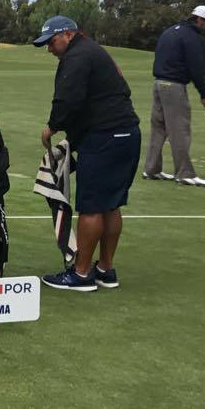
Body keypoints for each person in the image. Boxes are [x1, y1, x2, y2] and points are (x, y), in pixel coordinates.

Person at [33, 15, 140, 293]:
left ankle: (81, 275)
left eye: (52, 42)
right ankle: (105, 270)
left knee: (92, 207)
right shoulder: (93, 50)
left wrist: (52, 127)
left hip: (104, 138)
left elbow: (69, 99)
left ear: (68, 34)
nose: (50, 49)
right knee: (111, 205)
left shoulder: (77, 56)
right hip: (127, 134)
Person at [142, 4, 205, 187]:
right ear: (200, 19)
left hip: (158, 84)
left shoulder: (171, 31)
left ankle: (151, 169)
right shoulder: (192, 37)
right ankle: (184, 173)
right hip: (174, 87)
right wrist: (204, 94)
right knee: (180, 130)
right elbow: (196, 68)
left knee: (159, 128)